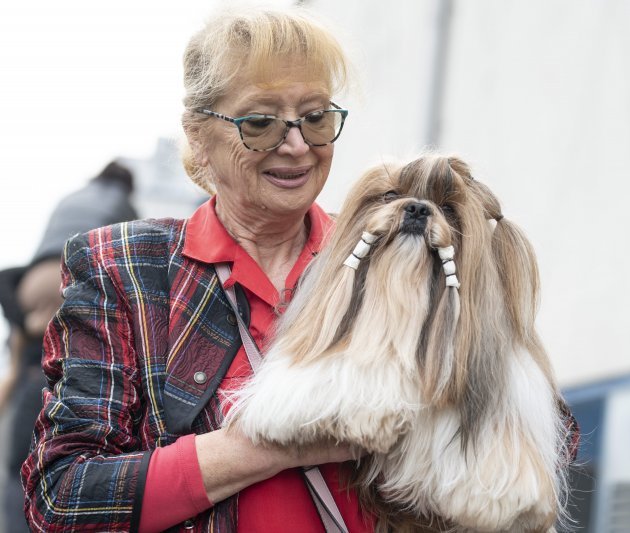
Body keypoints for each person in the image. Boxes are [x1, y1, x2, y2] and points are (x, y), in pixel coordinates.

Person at [21, 6, 372, 533]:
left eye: (316, 117)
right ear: (199, 136)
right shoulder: (124, 269)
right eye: (260, 122)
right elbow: (64, 497)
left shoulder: (379, 259)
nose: (297, 145)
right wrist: (269, 444)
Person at [0, 161, 138, 532]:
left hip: (28, 281)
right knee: (61, 365)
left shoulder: (71, 196)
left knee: (24, 355)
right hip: (67, 281)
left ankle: (22, 356)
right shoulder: (126, 206)